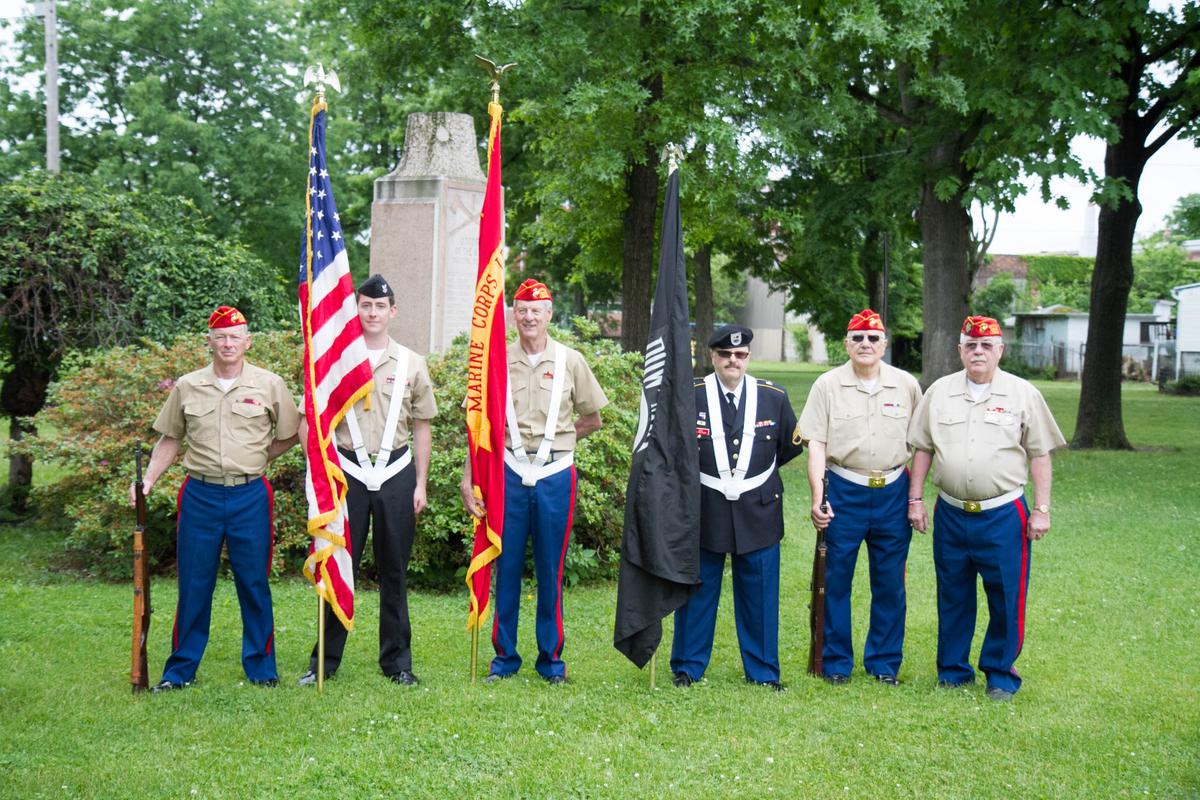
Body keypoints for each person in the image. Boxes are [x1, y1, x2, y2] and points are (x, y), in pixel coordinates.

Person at [130, 306, 299, 691]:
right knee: (194, 583)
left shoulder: (269, 384)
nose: (227, 343)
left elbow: (291, 432)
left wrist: (260, 456)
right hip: (200, 495)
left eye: (235, 337)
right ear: (209, 341)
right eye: (220, 337)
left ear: (247, 341)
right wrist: (148, 479)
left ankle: (261, 668)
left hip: (250, 495)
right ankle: (180, 670)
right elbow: (170, 438)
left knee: (254, 583)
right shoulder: (188, 385)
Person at [907, 315, 1065, 702]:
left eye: (986, 345)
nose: (978, 351)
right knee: (953, 594)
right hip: (951, 511)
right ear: (960, 350)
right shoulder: (939, 392)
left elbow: (1040, 455)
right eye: (971, 345)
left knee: (1006, 595)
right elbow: (923, 448)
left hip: (1003, 513)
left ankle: (1000, 673)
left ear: (1000, 350)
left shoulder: (1023, 393)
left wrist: (1041, 509)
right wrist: (915, 499)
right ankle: (952, 671)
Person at [460, 278, 608, 684]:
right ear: (513, 315)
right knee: (505, 566)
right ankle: (504, 659)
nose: (529, 317)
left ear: (549, 314)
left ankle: (551, 660)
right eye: (522, 309)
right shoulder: (494, 361)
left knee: (550, 570)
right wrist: (468, 479)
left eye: (536, 310)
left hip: (554, 476)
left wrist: (560, 440)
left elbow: (593, 418)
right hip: (506, 474)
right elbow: (475, 425)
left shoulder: (570, 361)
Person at [298, 275, 437, 687]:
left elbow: (423, 425)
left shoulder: (412, 363)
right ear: (355, 309)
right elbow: (310, 419)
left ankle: (397, 662)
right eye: (365, 305)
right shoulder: (336, 360)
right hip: (347, 474)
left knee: (395, 570)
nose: (372, 313)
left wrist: (421, 483)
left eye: (380, 307)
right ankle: (324, 661)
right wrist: (320, 472)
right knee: (337, 566)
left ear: (392, 311)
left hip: (396, 473)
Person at [670, 324, 804, 691]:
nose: (733, 360)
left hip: (758, 508)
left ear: (748, 357)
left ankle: (763, 671)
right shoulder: (690, 395)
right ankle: (688, 666)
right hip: (705, 507)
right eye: (725, 354)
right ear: (712, 356)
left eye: (740, 354)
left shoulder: (773, 397)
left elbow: (788, 447)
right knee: (696, 591)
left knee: (760, 595)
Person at [799, 309, 922, 686]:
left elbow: (921, 443)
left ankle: (884, 663)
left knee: (890, 583)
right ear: (846, 344)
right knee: (836, 580)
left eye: (873, 338)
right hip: (844, 489)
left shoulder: (906, 385)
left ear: (884, 344)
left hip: (893, 490)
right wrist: (818, 495)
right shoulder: (827, 385)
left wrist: (915, 497)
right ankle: (836, 662)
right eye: (857, 338)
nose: (865, 344)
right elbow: (816, 443)